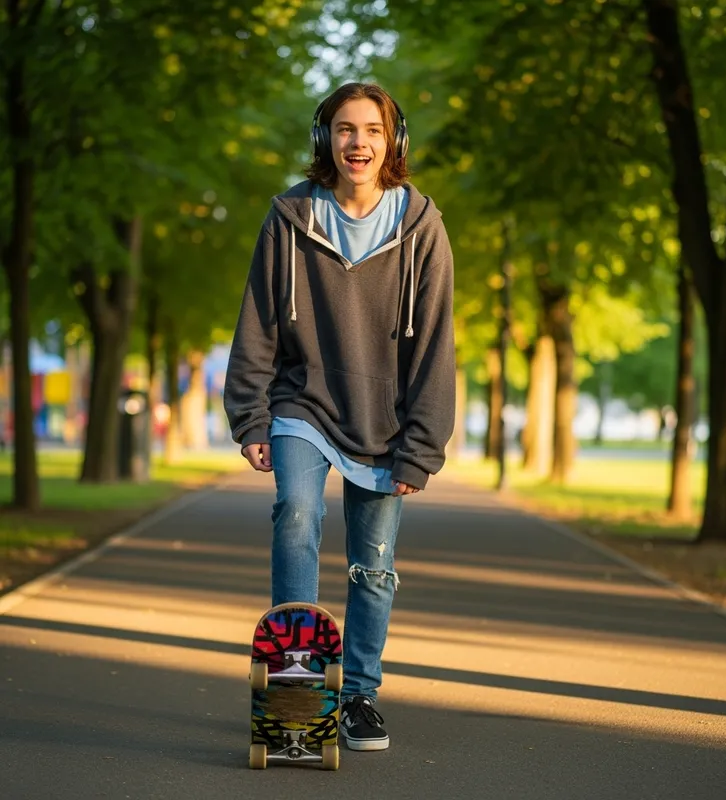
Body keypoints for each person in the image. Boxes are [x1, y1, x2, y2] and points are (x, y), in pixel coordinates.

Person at [223, 82, 455, 752]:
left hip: (387, 418)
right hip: (304, 404)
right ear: (325, 138)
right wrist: (252, 417)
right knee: (297, 513)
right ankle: (297, 684)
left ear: (394, 140)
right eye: (346, 129)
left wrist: (420, 446)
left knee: (372, 566)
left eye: (374, 130)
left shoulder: (421, 227)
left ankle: (358, 695)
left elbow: (436, 344)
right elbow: (259, 321)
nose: (360, 143)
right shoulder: (291, 216)